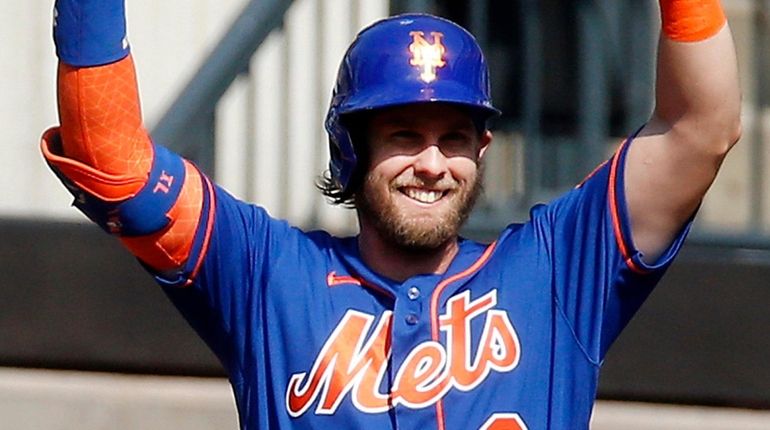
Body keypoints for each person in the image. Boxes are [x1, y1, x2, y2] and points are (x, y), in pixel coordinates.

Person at [41, 0, 741, 429]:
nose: (433, 163)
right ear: (352, 148)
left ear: (482, 149)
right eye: (404, 136)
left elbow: (701, 126)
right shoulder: (268, 276)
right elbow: (113, 161)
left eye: (454, 138)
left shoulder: (557, 272)